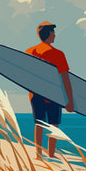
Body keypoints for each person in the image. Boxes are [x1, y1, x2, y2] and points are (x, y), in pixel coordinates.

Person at [26, 21, 75, 158]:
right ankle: (51, 155)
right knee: (53, 125)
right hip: (54, 95)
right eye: (53, 32)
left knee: (39, 124)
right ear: (48, 34)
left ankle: (38, 154)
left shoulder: (29, 52)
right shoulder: (58, 54)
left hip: (35, 94)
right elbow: (65, 78)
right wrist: (69, 101)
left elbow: (25, 75)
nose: (55, 35)